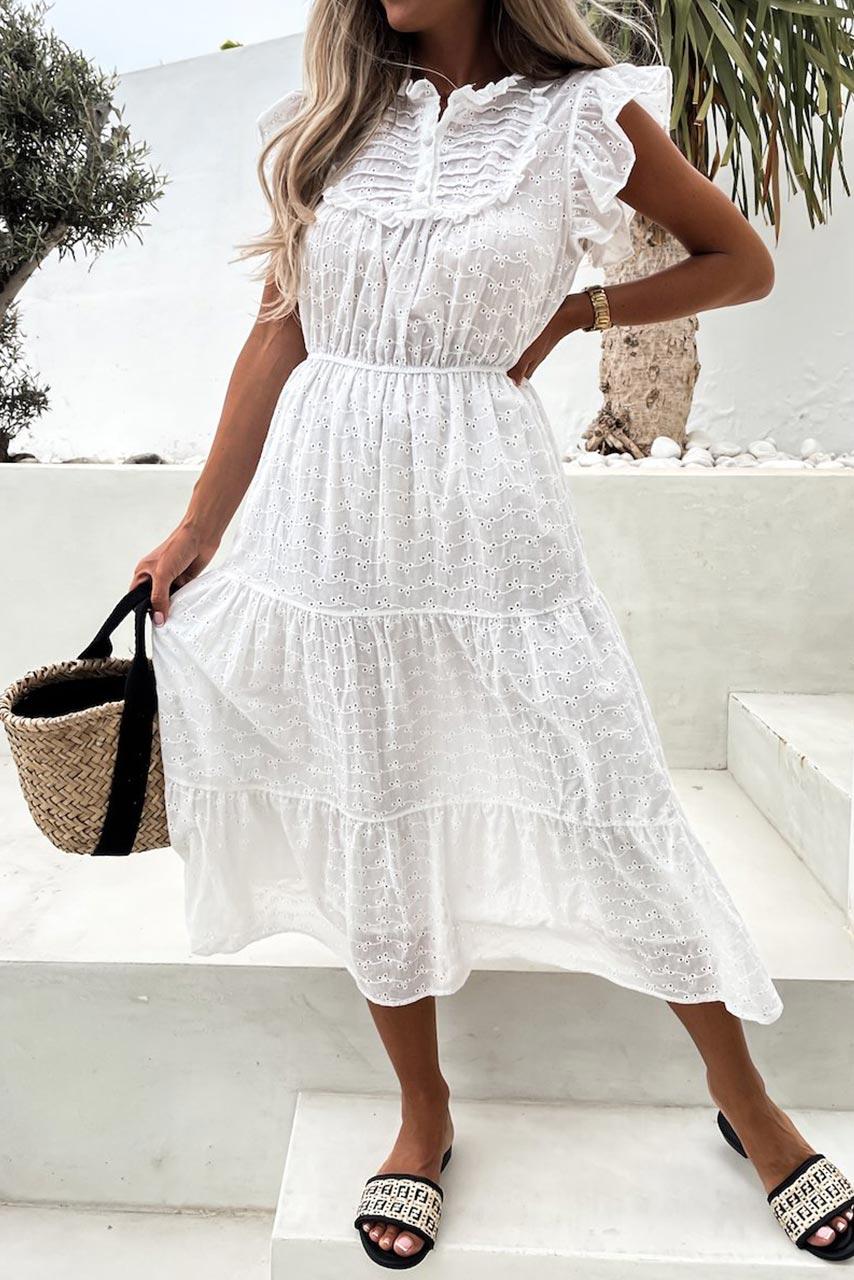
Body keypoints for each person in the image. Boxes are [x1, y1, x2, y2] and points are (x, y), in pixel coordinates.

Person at [133, 0, 854, 1267]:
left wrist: (581, 311)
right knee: (372, 790)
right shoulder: (330, 125)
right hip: (330, 516)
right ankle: (422, 1113)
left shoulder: (578, 115)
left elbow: (739, 261)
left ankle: (747, 1102)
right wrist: (197, 525)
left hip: (487, 508)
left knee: (600, 782)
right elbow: (277, 332)